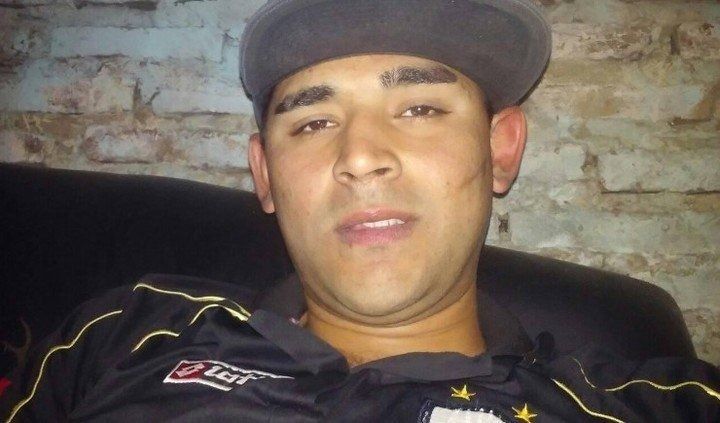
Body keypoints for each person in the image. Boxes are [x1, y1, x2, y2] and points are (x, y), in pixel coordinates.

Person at [1, 0, 719, 421]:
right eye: (313, 122)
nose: (361, 155)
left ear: (500, 149)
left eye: (419, 108)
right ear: (265, 174)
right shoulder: (125, 334)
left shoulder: (643, 406)